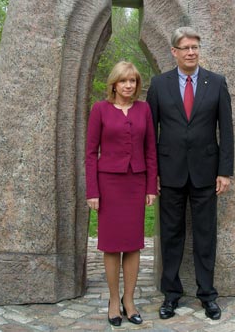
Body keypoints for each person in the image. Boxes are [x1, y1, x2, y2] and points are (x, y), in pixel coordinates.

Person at [146, 26, 234, 321]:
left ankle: (207, 295)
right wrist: (152, 173)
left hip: (206, 174)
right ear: (174, 52)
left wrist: (225, 171)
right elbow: (150, 134)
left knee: (205, 236)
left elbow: (227, 131)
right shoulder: (159, 85)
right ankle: (171, 295)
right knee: (171, 236)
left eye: (195, 47)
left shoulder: (217, 83)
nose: (191, 52)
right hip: (169, 174)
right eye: (185, 48)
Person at [85, 61, 158, 327]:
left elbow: (151, 150)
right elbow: (91, 153)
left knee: (133, 244)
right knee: (112, 245)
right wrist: (92, 191)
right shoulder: (99, 110)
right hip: (108, 186)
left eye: (133, 81)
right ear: (113, 84)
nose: (129, 85)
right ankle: (113, 301)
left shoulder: (144, 110)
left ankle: (130, 300)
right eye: (124, 81)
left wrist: (151, 187)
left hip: (136, 184)